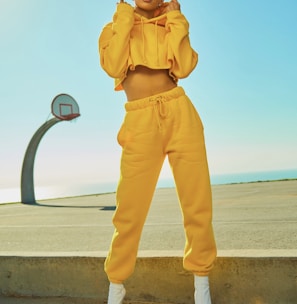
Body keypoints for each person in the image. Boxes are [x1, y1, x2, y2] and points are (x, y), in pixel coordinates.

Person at [98, 0, 217, 303]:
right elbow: (113, 66)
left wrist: (176, 19)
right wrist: (125, 14)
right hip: (139, 121)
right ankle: (116, 285)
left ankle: (201, 284)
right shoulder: (113, 28)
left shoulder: (171, 25)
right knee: (128, 211)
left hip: (180, 112)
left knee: (197, 203)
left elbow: (185, 67)